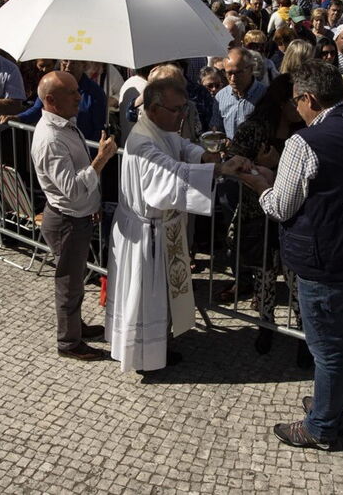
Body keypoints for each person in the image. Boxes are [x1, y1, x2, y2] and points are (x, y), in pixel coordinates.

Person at [240, 59, 343, 449]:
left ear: (309, 98)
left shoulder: (303, 142)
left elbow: (281, 206)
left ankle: (321, 426)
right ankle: (333, 403)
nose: (295, 110)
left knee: (327, 349)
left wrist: (259, 185)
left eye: (297, 103)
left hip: (326, 261)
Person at [105, 78, 250, 373]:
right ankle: (144, 357)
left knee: (160, 296)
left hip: (162, 229)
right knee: (147, 298)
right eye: (176, 110)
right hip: (147, 235)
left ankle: (157, 346)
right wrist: (219, 169)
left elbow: (181, 147)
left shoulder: (158, 128)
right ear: (155, 108)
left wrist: (203, 154)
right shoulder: (142, 142)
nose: (182, 116)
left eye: (184, 109)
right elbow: (170, 173)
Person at [31, 71, 118, 361]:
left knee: (76, 280)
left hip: (74, 216)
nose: (79, 97)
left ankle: (75, 327)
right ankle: (68, 342)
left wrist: (90, 206)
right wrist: (101, 159)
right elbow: (72, 190)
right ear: (52, 100)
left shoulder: (65, 125)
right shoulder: (52, 139)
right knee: (69, 284)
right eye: (72, 93)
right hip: (66, 220)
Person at [227, 74, 308, 361]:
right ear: (282, 101)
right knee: (263, 274)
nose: (300, 105)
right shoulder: (254, 128)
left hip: (291, 216)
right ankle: (266, 324)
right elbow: (233, 161)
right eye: (295, 99)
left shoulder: (304, 130)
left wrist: (277, 163)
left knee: (295, 277)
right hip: (259, 213)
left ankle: (302, 334)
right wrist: (252, 167)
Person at [212, 46, 267, 139]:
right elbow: (217, 129)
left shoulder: (265, 95)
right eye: (229, 73)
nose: (233, 79)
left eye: (238, 73)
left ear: (250, 69)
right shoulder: (220, 97)